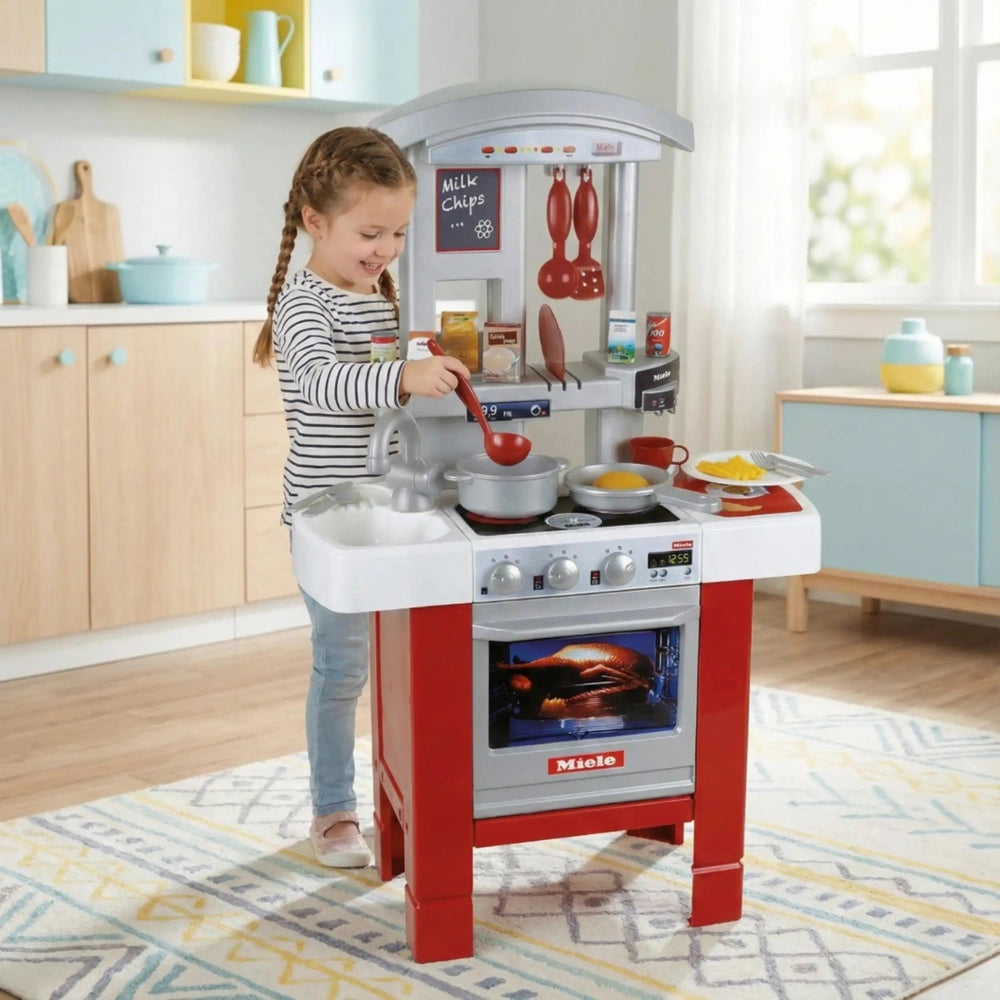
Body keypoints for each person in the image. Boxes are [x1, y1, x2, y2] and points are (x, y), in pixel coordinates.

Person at [253, 127, 469, 868]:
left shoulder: (379, 293)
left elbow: (389, 389)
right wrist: (402, 378)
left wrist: (427, 365)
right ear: (316, 221)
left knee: (415, 660)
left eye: (399, 233)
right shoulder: (302, 303)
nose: (385, 248)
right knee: (342, 666)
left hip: (391, 508)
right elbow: (321, 383)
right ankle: (335, 810)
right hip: (329, 518)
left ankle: (415, 788)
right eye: (370, 232)